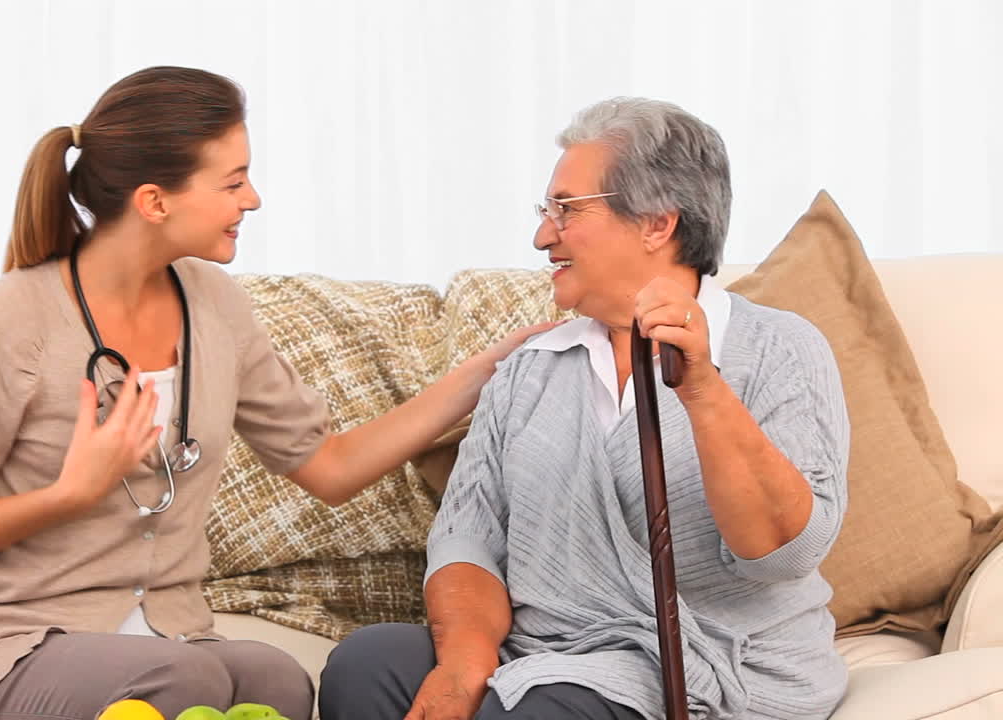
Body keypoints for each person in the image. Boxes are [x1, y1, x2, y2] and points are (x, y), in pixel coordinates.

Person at [0, 66, 552, 720]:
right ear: (155, 202)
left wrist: (485, 372)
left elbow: (329, 465)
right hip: (26, 645)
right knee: (184, 682)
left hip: (174, 632)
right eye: (234, 182)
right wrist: (72, 493)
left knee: (278, 680)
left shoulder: (213, 304)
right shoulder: (10, 323)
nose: (254, 199)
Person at [319, 97, 850, 720]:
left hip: (705, 665)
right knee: (368, 665)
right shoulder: (530, 370)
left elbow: (782, 552)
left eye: (566, 210)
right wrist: (464, 664)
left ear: (657, 223)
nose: (543, 235)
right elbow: (468, 539)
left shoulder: (779, 349)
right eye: (546, 211)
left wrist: (702, 387)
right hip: (544, 651)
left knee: (534, 712)